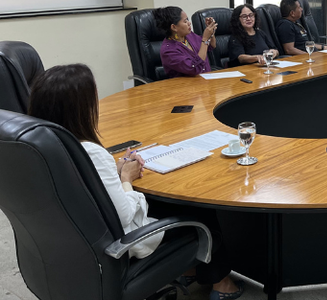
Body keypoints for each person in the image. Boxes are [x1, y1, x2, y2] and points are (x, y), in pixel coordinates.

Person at [27, 64, 244, 300]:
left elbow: (83, 187)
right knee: (200, 210)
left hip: (73, 247)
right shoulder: (92, 153)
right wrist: (125, 178)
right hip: (119, 246)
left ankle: (189, 271)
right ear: (80, 110)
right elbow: (124, 215)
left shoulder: (41, 149)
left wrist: (115, 170)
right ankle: (222, 284)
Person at [154, 6, 217, 78]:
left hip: (206, 80)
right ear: (174, 27)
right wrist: (205, 39)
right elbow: (195, 68)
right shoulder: (168, 51)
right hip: (187, 84)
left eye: (188, 20)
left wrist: (211, 32)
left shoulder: (189, 35)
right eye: (185, 21)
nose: (189, 23)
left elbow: (211, 45)